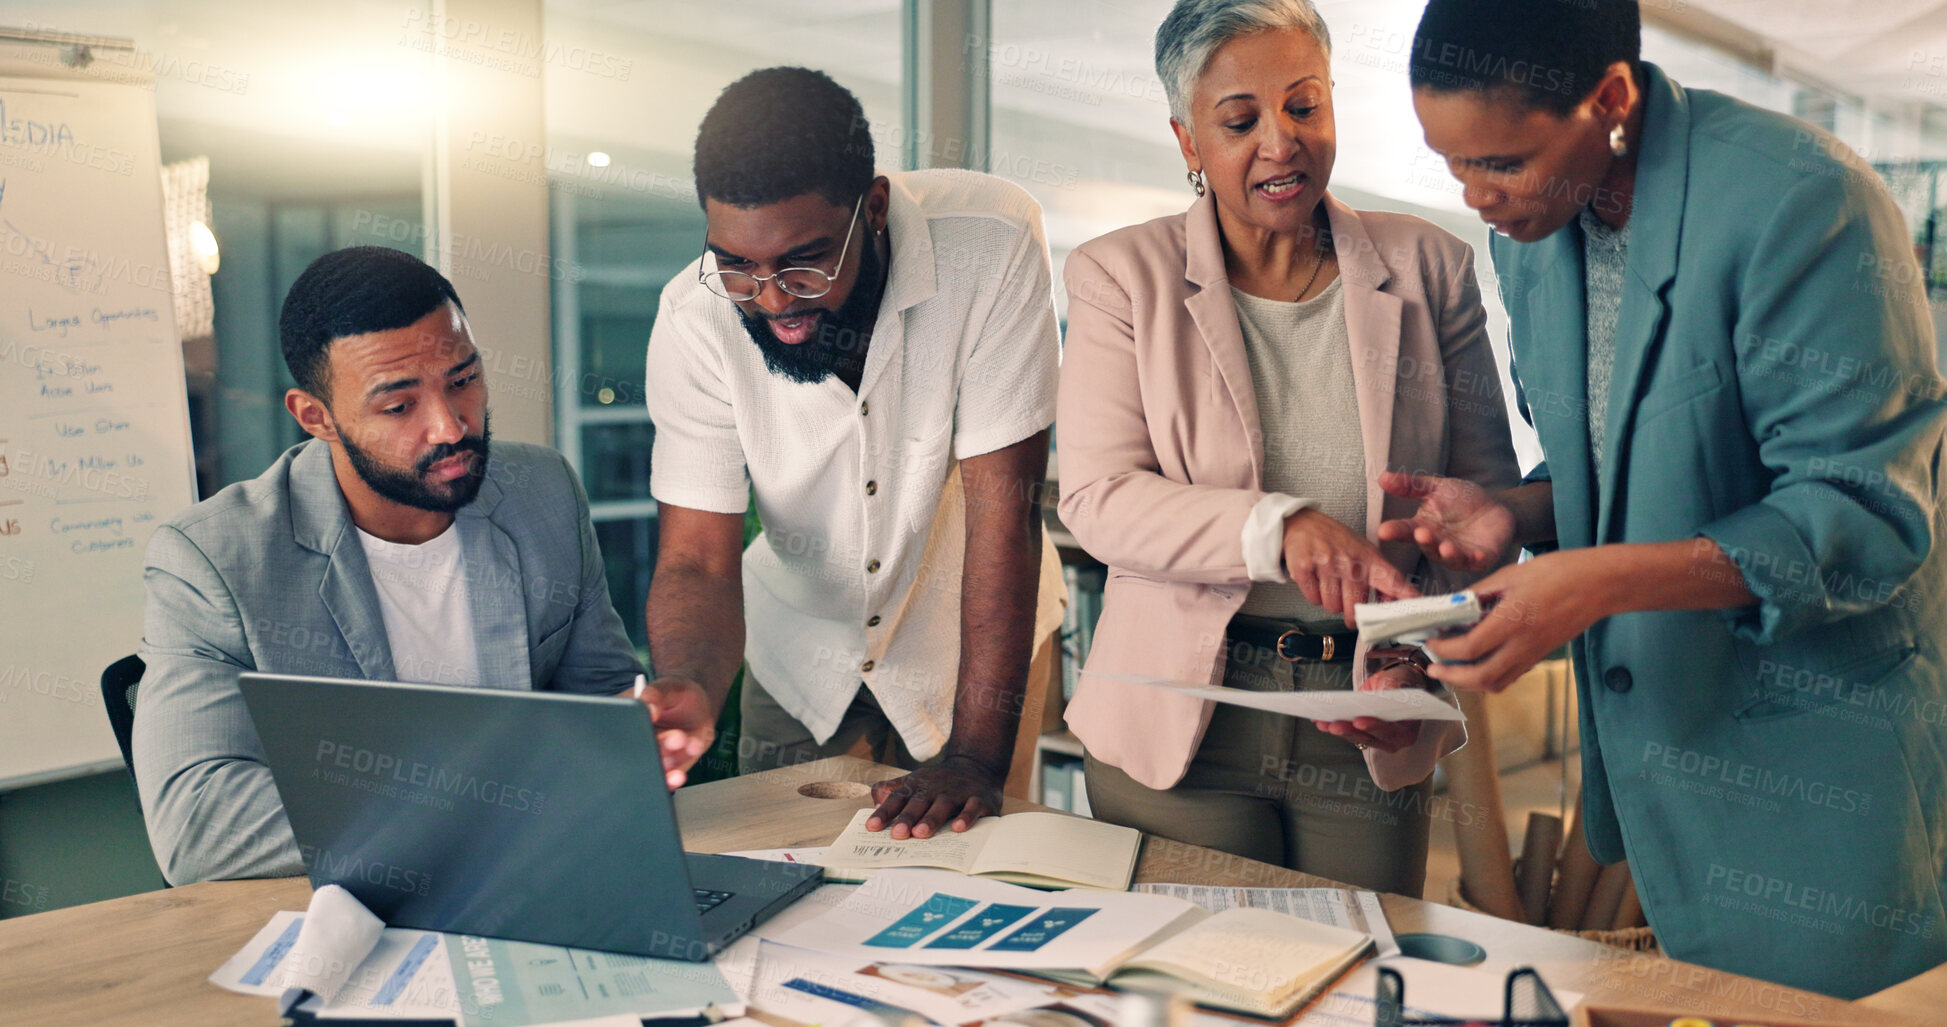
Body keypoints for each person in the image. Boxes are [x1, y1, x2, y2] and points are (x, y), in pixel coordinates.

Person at [1395, 0, 1947, 995]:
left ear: (1609, 97)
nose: (1475, 196)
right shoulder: (1532, 231)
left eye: (1502, 163)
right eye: (1451, 164)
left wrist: (1593, 585)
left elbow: (1866, 515)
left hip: (1819, 772)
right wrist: (1511, 517)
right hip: (1657, 767)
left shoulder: (1806, 201)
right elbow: (1615, 473)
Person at [1055, 0, 1520, 895]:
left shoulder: (1430, 268)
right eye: (1239, 121)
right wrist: (1281, 525)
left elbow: (1477, 510)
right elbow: (1100, 499)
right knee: (1203, 985)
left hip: (1363, 715)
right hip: (1179, 718)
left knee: (1359, 979)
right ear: (1188, 143)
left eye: (1304, 106)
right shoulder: (1118, 276)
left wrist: (1413, 656)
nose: (1282, 141)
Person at [134, 246, 649, 885]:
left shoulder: (541, 490)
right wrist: (486, 801)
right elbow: (198, 826)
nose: (450, 428)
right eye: (399, 406)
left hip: (541, 877)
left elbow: (605, 699)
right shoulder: (214, 558)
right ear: (316, 417)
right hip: (345, 907)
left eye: (463, 381)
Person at [642, 67, 1066, 840]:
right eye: (737, 264)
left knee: (969, 883)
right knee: (781, 879)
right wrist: (691, 687)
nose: (771, 299)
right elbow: (697, 560)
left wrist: (975, 756)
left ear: (871, 209)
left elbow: (1002, 516)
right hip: (800, 650)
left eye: (805, 262)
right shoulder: (691, 318)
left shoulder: (990, 243)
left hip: (968, 647)